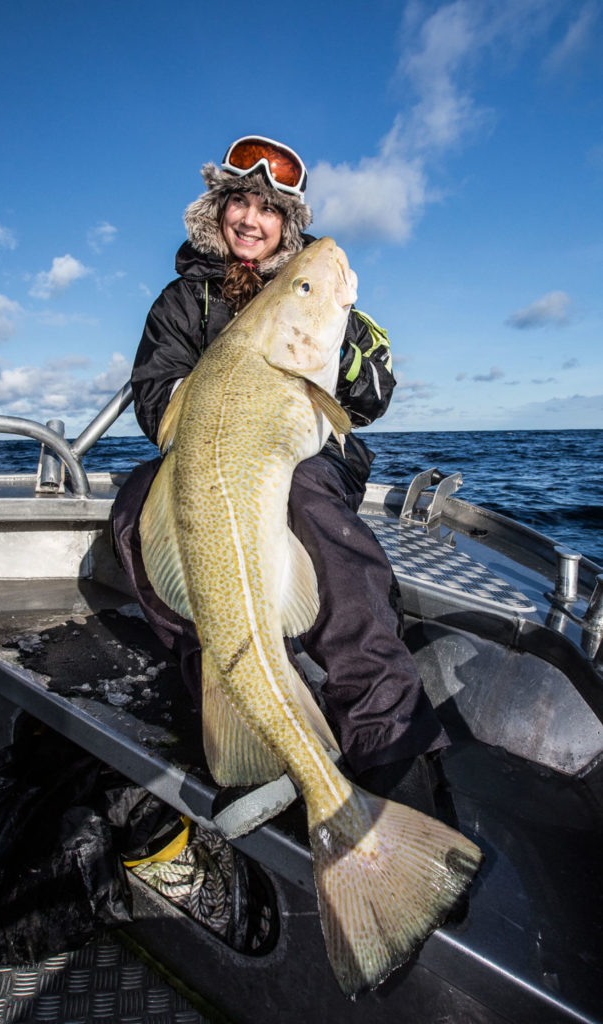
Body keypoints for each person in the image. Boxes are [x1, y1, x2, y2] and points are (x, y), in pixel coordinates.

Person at [111, 135, 449, 819]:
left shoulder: (323, 296)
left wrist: (339, 348)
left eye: (269, 210)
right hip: (210, 464)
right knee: (132, 511)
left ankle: (385, 733)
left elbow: (374, 392)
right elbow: (155, 399)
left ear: (286, 224)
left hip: (309, 455)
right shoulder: (181, 302)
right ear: (220, 208)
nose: (252, 220)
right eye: (241, 201)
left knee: (312, 507)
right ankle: (230, 697)